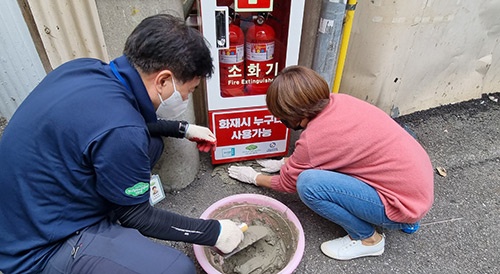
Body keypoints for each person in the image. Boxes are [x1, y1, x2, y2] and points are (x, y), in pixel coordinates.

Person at [0, 14, 243, 274]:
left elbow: (110, 128)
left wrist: (182, 129)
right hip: (37, 248)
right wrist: (215, 232)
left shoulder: (85, 69)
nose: (186, 97)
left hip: (25, 208)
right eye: (190, 90)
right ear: (163, 80)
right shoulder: (123, 132)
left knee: (151, 144)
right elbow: (138, 217)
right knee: (177, 268)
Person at [228, 65, 434, 261]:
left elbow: (286, 184)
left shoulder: (314, 140)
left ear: (295, 115)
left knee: (308, 184)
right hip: (417, 187)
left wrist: (254, 177)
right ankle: (408, 221)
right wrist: (285, 162)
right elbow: (333, 152)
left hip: (399, 204)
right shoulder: (340, 101)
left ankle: (367, 238)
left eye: (282, 117)